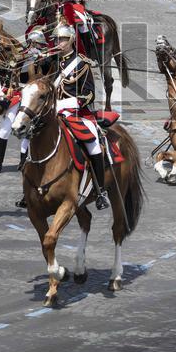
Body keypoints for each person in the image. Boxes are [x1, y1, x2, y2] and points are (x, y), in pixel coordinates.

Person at [52, 19, 110, 210]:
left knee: (94, 145)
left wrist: (70, 103)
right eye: (56, 40)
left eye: (62, 40)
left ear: (70, 41)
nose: (58, 43)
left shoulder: (82, 64)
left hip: (78, 113)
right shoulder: (53, 61)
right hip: (54, 111)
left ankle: (101, 191)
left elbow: (90, 93)